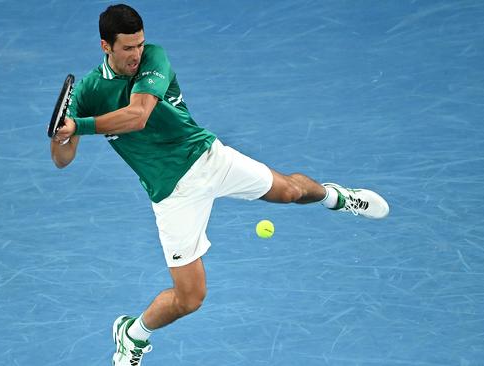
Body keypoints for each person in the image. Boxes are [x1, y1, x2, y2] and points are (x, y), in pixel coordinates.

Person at [51, 4, 389, 365]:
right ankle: (132, 334)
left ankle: (336, 197)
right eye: (127, 48)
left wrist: (81, 125)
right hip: (171, 192)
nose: (136, 54)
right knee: (190, 298)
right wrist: (60, 135)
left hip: (208, 157)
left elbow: (139, 115)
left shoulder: (155, 58)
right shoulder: (88, 91)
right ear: (107, 47)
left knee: (290, 190)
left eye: (139, 45)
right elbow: (63, 159)